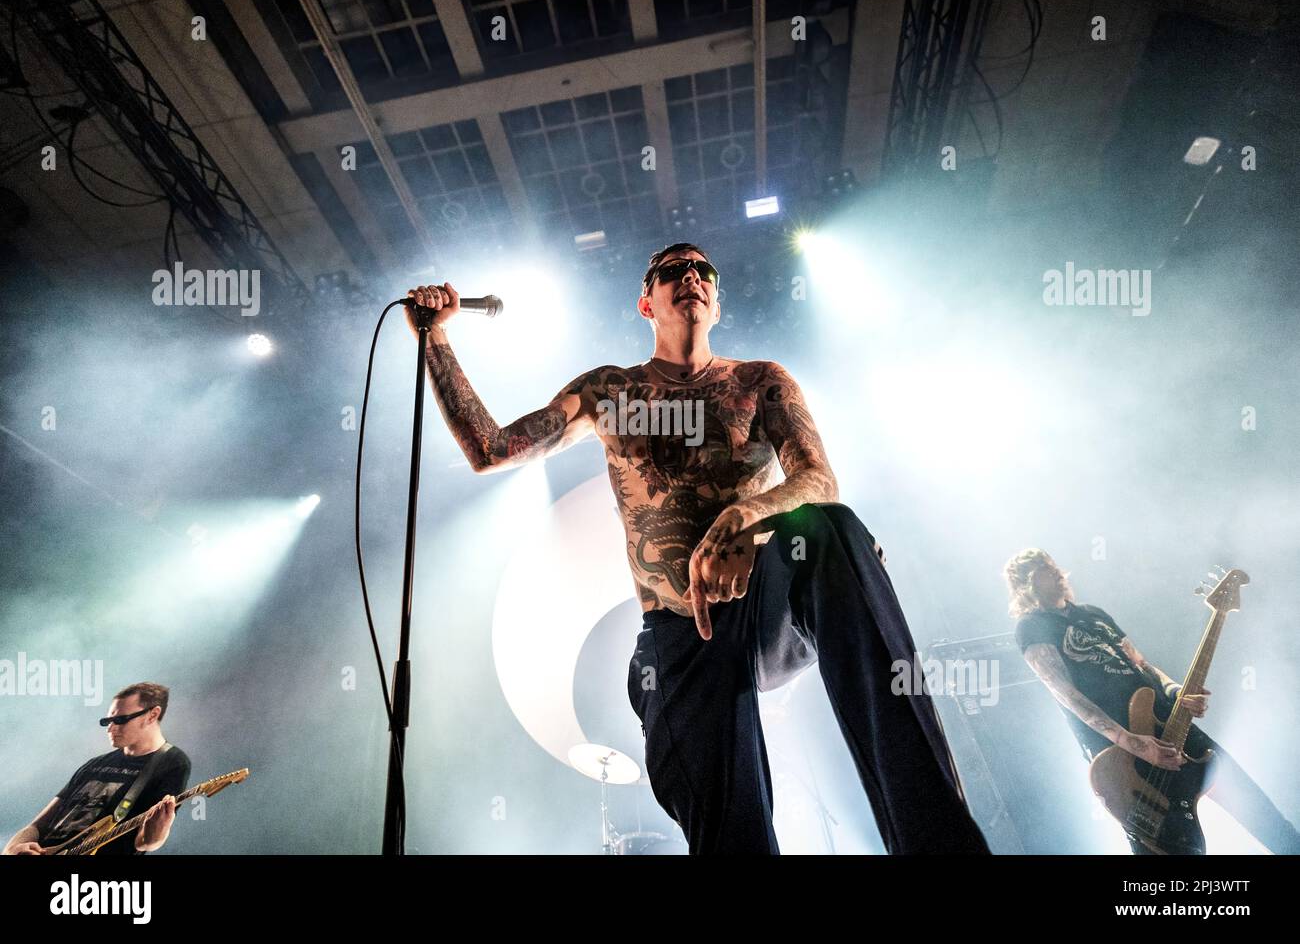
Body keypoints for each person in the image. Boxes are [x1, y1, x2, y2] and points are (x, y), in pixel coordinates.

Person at [404, 242, 988, 854]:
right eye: (671, 270)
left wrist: (746, 515)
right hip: (679, 638)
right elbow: (490, 449)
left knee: (830, 528)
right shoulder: (609, 392)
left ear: (717, 300)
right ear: (645, 302)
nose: (691, 276)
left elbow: (818, 478)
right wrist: (435, 340)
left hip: (763, 609)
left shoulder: (761, 382)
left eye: (703, 269)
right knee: (733, 837)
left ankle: (938, 842)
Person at [1006, 547, 1300, 854]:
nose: (1057, 572)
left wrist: (1177, 693)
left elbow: (1142, 665)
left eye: (1054, 565)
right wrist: (1131, 741)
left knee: (1266, 818)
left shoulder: (1093, 614)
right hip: (1123, 756)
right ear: (1027, 584)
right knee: (1173, 847)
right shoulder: (1032, 626)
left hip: (1170, 723)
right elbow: (1065, 694)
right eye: (1044, 569)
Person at [3, 682, 191, 855]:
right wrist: (12, 848)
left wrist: (155, 835)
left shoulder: (172, 762)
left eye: (120, 720)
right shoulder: (95, 764)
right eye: (107, 721)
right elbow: (38, 825)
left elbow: (144, 842)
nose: (110, 729)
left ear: (153, 714)